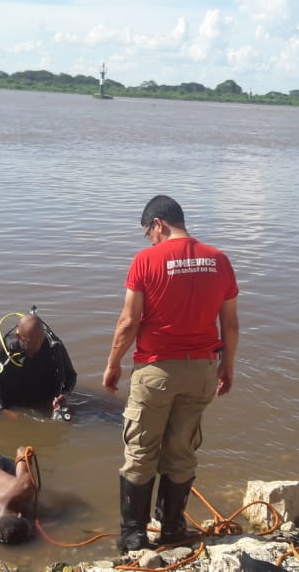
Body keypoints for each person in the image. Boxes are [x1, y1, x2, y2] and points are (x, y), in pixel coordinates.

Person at [102, 195, 240, 552]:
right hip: (202, 371)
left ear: (158, 224)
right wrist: (227, 367)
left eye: (148, 232)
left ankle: (133, 534)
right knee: (182, 450)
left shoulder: (145, 260)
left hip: (156, 370)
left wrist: (113, 363)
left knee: (140, 451)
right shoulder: (219, 260)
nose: (148, 239)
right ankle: (173, 529)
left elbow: (129, 321)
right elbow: (231, 324)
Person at [0, 313, 77, 418]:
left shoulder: (54, 348)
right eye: (30, 342)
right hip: (14, 403)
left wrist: (64, 394)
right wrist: (3, 410)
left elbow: (71, 376)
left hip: (45, 400)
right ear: (19, 337)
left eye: (39, 340)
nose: (36, 346)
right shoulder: (3, 351)